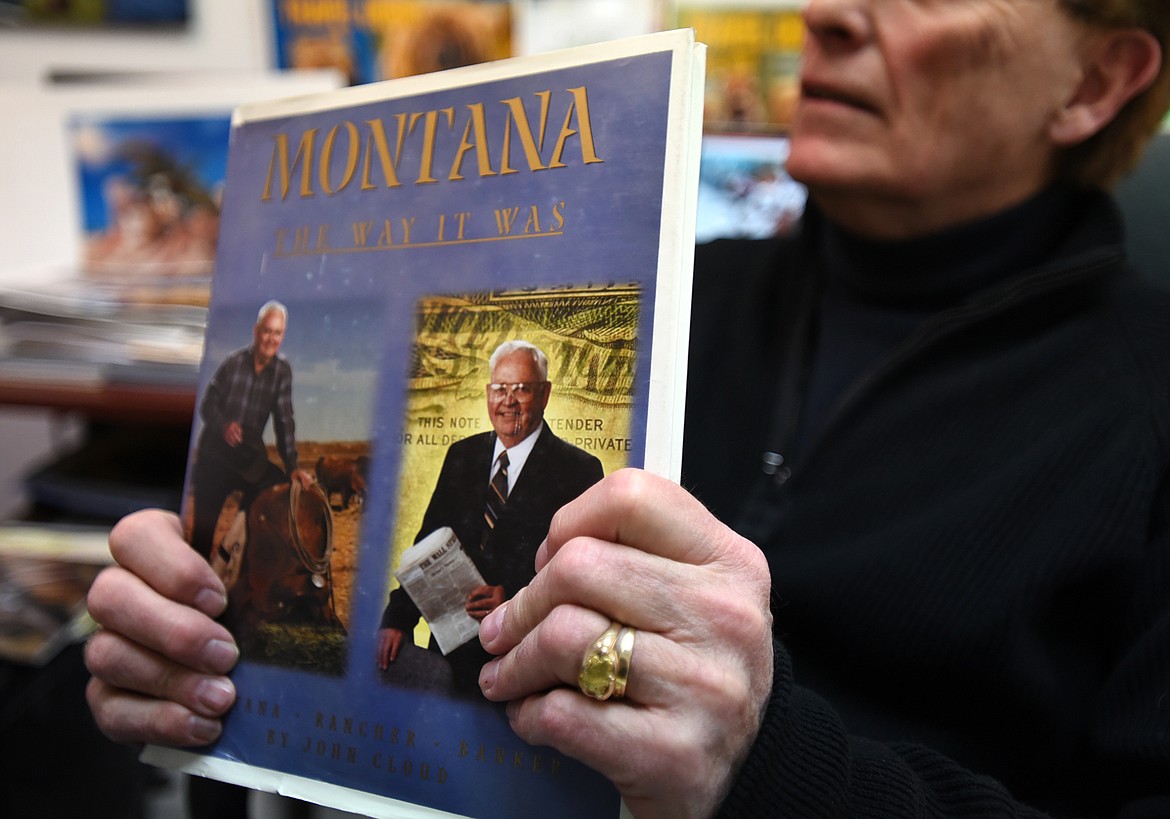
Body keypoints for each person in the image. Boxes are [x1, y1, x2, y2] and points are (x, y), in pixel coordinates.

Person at [84, 1, 1170, 816]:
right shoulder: (678, 290)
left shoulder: (1144, 413)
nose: (830, 14)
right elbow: (428, 570)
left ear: (1096, 80)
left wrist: (770, 768)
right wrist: (195, 669)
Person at [377, 340, 604, 694]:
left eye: (521, 389)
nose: (508, 400)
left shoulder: (580, 471)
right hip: (448, 659)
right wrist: (396, 619)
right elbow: (426, 546)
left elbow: (582, 574)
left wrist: (514, 600)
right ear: (488, 393)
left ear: (544, 395)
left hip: (521, 661)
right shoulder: (461, 455)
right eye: (500, 389)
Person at [189, 300, 314, 561]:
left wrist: (292, 466)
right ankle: (197, 579)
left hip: (248, 458)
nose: (271, 338)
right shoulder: (233, 363)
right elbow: (207, 404)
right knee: (201, 534)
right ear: (257, 331)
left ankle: (234, 545)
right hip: (216, 454)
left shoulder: (282, 371)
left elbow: (284, 421)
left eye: (277, 333)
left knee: (276, 483)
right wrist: (224, 424)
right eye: (267, 331)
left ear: (283, 336)